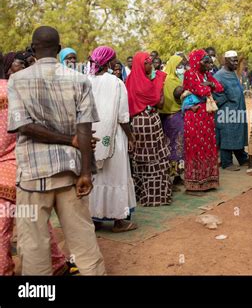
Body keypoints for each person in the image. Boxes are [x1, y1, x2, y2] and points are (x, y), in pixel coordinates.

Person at [7, 26, 105, 275]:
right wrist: (85, 172)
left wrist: (68, 140)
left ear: (33, 48)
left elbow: (24, 126)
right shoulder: (80, 80)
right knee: (83, 238)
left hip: (32, 176)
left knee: (34, 245)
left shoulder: (17, 80)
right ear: (59, 50)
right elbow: (84, 129)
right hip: (71, 174)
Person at [0, 51, 77, 276]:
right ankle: (55, 264)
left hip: (6, 170)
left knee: (4, 226)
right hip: (27, 167)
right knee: (36, 219)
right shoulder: (23, 89)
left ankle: (4, 270)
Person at [87, 46, 137, 232]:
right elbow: (123, 117)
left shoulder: (85, 81)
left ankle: (95, 219)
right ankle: (118, 221)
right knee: (116, 176)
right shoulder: (116, 83)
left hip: (91, 137)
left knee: (95, 178)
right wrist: (131, 137)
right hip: (113, 138)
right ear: (109, 62)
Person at [126, 52, 171, 206]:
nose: (151, 65)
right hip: (148, 123)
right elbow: (159, 103)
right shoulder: (148, 83)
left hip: (138, 123)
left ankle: (143, 194)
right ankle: (155, 196)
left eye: (151, 62)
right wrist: (159, 84)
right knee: (153, 159)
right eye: (147, 63)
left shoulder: (131, 80)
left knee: (142, 160)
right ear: (140, 64)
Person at [183, 49, 224, 192]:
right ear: (196, 62)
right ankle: (195, 184)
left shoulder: (207, 75)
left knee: (207, 146)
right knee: (195, 146)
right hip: (194, 116)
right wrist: (208, 86)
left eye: (209, 61)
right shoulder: (189, 74)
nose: (208, 65)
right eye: (205, 62)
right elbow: (201, 91)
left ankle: (208, 181)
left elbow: (219, 87)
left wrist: (210, 85)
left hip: (206, 115)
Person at [213, 50, 248, 171]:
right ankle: (226, 162)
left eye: (236, 60)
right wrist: (228, 98)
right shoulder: (219, 75)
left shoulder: (233, 73)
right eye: (233, 60)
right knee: (227, 135)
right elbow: (216, 94)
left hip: (238, 110)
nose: (236, 63)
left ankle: (243, 158)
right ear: (226, 61)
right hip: (226, 111)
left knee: (237, 134)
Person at [160, 55, 187, 183]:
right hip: (173, 116)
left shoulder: (171, 78)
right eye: (178, 66)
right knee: (175, 146)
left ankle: (176, 175)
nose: (180, 68)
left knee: (175, 146)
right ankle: (174, 175)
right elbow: (176, 97)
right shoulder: (169, 80)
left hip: (171, 117)